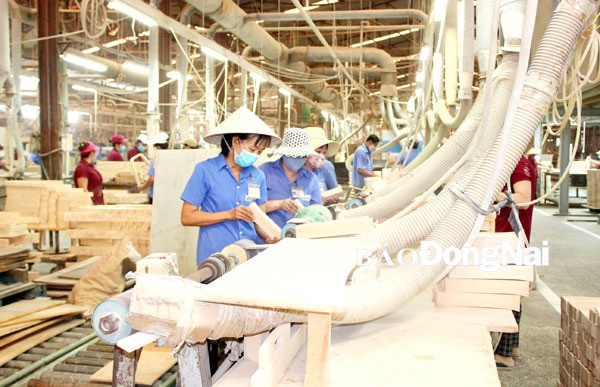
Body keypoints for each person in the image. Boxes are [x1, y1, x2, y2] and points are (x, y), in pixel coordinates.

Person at [180, 107, 282, 264]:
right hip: (215, 258)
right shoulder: (206, 171)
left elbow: (259, 221)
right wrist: (229, 214)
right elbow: (187, 216)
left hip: (248, 257)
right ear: (236, 142)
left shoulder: (257, 176)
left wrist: (268, 237)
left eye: (259, 152)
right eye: (252, 149)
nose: (255, 155)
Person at [493, 155, 537, 369]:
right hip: (501, 237)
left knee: (507, 293)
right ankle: (513, 345)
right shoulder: (508, 163)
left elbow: (524, 198)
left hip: (509, 238)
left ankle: (504, 353)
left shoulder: (518, 165)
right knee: (511, 290)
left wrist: (494, 196)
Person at [260, 127, 323, 229]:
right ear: (284, 153)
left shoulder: (311, 179)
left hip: (301, 239)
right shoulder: (264, 172)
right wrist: (279, 204)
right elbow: (251, 208)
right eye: (293, 155)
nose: (297, 158)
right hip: (267, 239)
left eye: (301, 155)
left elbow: (318, 213)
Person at [304, 126, 339, 203]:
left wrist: (331, 199)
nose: (321, 156)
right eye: (318, 152)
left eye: (324, 153)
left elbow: (335, 192)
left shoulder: (326, 167)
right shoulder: (296, 170)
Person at [137, 132, 168, 204]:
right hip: (166, 196)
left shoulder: (156, 160)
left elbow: (152, 179)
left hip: (155, 196)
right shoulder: (171, 158)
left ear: (158, 147)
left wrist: (142, 187)